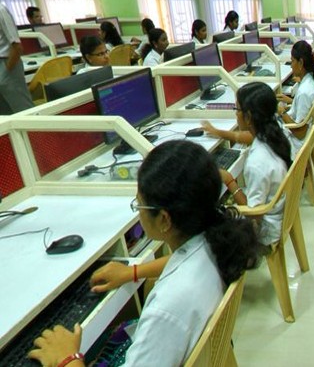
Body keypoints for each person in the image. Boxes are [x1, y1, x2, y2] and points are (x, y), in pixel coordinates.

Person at [27, 140, 262, 367]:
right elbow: (182, 261)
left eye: (139, 204)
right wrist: (133, 272)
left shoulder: (167, 307)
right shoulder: (215, 240)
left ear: (163, 219)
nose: (138, 210)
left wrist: (67, 359)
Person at [218, 83, 292, 245]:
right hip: (279, 211)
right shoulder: (278, 133)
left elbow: (255, 214)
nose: (236, 115)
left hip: (267, 228)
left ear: (249, 117)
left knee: (213, 221)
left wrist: (230, 181)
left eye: (237, 110)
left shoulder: (257, 161)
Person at [278, 41, 314, 148]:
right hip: (307, 136)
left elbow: (300, 133)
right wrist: (292, 101)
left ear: (301, 63)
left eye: (292, 61)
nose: (291, 66)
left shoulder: (304, 92)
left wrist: (281, 112)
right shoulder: (310, 80)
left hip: (298, 144)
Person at [0, 2, 34, 114]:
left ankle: (35, 132)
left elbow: (17, 47)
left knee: (23, 110)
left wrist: (7, 71)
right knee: (5, 115)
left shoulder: (1, 10)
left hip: (7, 62)